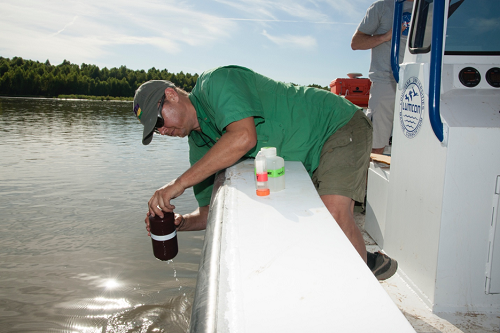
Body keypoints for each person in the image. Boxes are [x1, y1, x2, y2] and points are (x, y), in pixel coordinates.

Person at [133, 65, 397, 280]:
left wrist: (178, 184)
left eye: (158, 121)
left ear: (171, 95)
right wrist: (181, 223)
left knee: (334, 215)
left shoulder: (216, 82)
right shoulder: (200, 144)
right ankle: (364, 260)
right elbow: (208, 213)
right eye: (155, 131)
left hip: (336, 125)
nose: (162, 131)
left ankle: (362, 287)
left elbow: (244, 137)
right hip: (305, 157)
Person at [351, 0, 414, 154]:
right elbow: (356, 43)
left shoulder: (435, 8)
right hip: (386, 81)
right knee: (375, 145)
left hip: (422, 83)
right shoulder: (382, 7)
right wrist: (386, 37)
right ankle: (369, 177)